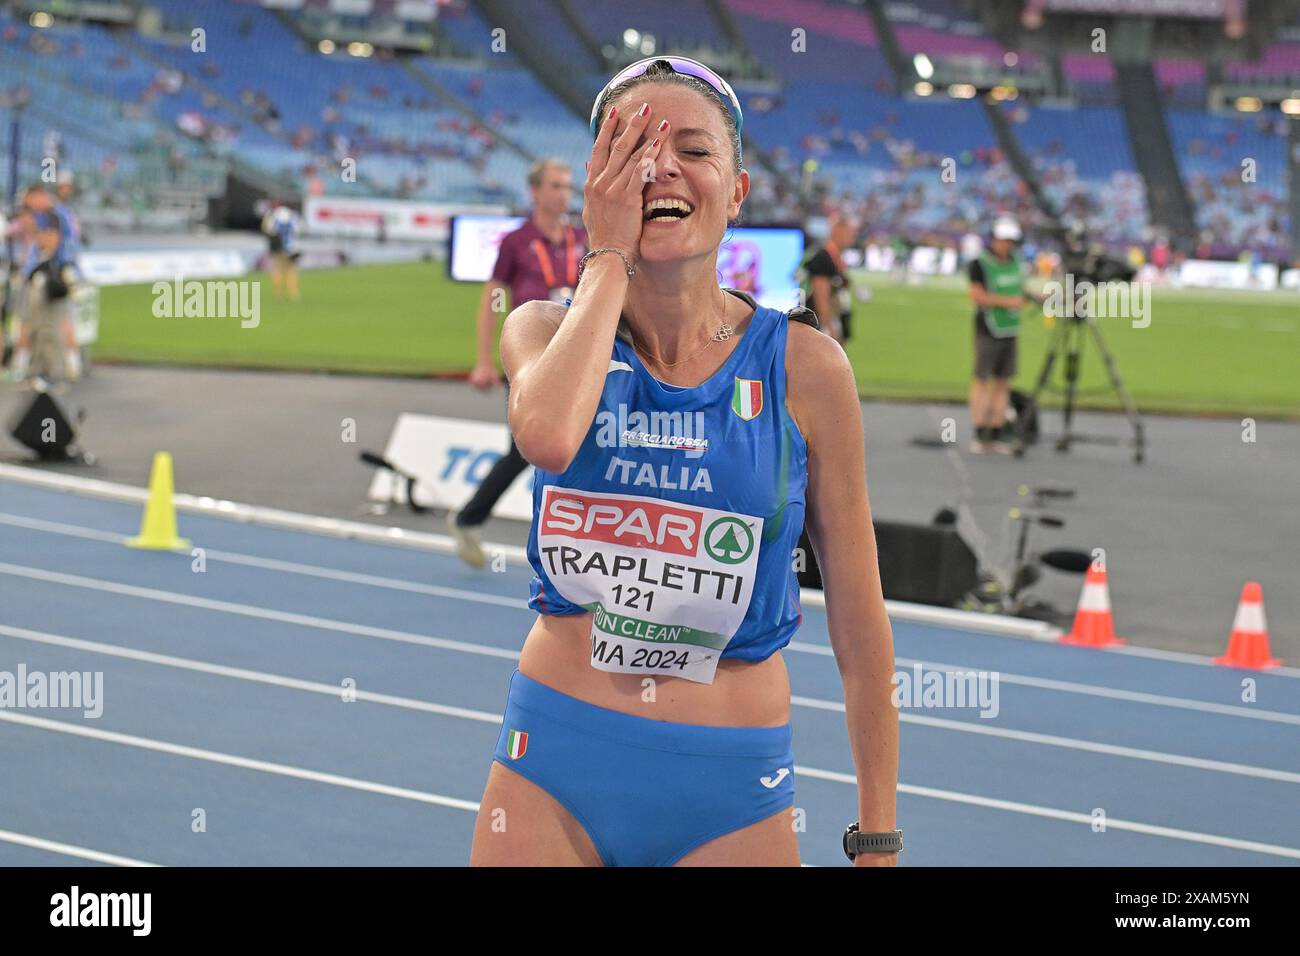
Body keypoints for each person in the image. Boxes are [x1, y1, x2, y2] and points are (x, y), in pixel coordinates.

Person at [469, 56, 899, 867]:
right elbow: (550, 436)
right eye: (630, 148)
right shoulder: (538, 330)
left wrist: (878, 831)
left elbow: (859, 617)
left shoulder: (806, 367)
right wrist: (607, 256)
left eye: (694, 150)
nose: (660, 166)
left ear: (737, 192)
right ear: (600, 180)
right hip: (552, 767)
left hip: (731, 794)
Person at [448, 158, 587, 568]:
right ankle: (470, 518)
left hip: (577, 355)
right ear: (536, 192)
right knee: (527, 448)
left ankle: (574, 543)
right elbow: (492, 299)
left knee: (580, 444)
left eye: (567, 186)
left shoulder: (580, 238)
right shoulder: (516, 241)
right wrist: (483, 361)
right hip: (530, 356)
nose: (564, 194)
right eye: (556, 186)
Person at [967, 216, 1039, 454]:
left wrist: (1040, 298)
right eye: (1003, 239)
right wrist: (1007, 302)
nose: (1006, 245)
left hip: (1011, 329)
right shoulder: (980, 263)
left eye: (1010, 240)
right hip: (989, 330)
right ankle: (980, 431)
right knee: (982, 379)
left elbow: (1021, 289)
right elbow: (976, 296)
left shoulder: (1017, 263)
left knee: (1003, 382)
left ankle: (996, 432)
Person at [798, 208, 856, 345]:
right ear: (837, 230)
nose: (852, 237)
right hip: (819, 326)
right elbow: (821, 296)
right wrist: (829, 327)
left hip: (829, 321)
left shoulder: (834, 257)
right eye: (849, 232)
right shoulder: (823, 258)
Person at [260, 203, 301, 300]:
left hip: (278, 247)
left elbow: (267, 230)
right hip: (290, 247)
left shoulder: (275, 220)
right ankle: (293, 293)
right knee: (291, 270)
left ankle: (278, 293)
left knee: (277, 269)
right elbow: (298, 230)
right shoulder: (292, 220)